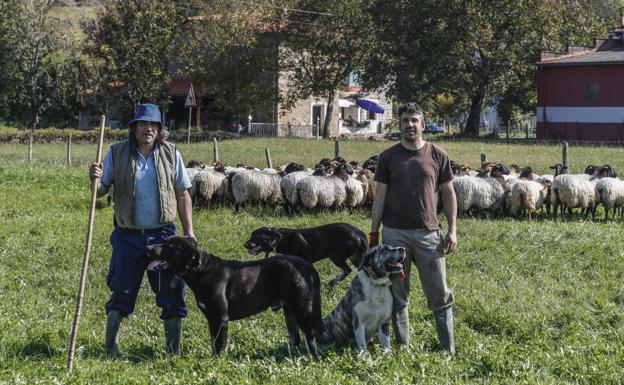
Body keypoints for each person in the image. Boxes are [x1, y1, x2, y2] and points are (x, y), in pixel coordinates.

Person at [89, 103, 195, 357]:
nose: (148, 129)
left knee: (171, 291)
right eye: (143, 124)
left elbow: (182, 194)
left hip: (164, 236)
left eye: (153, 125)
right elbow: (100, 191)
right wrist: (94, 179)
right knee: (121, 290)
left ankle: (173, 352)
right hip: (128, 236)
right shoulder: (116, 153)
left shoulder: (172, 154)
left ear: (160, 130)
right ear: (133, 128)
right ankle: (110, 348)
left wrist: (189, 231)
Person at [370, 102, 457, 353]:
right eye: (405, 120)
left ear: (423, 123)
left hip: (429, 234)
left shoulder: (438, 155)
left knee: (439, 293)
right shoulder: (388, 157)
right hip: (395, 235)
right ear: (400, 124)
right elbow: (380, 197)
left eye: (414, 120)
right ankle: (403, 348)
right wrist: (374, 234)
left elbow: (449, 194)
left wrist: (452, 230)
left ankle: (447, 349)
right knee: (398, 294)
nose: (410, 124)